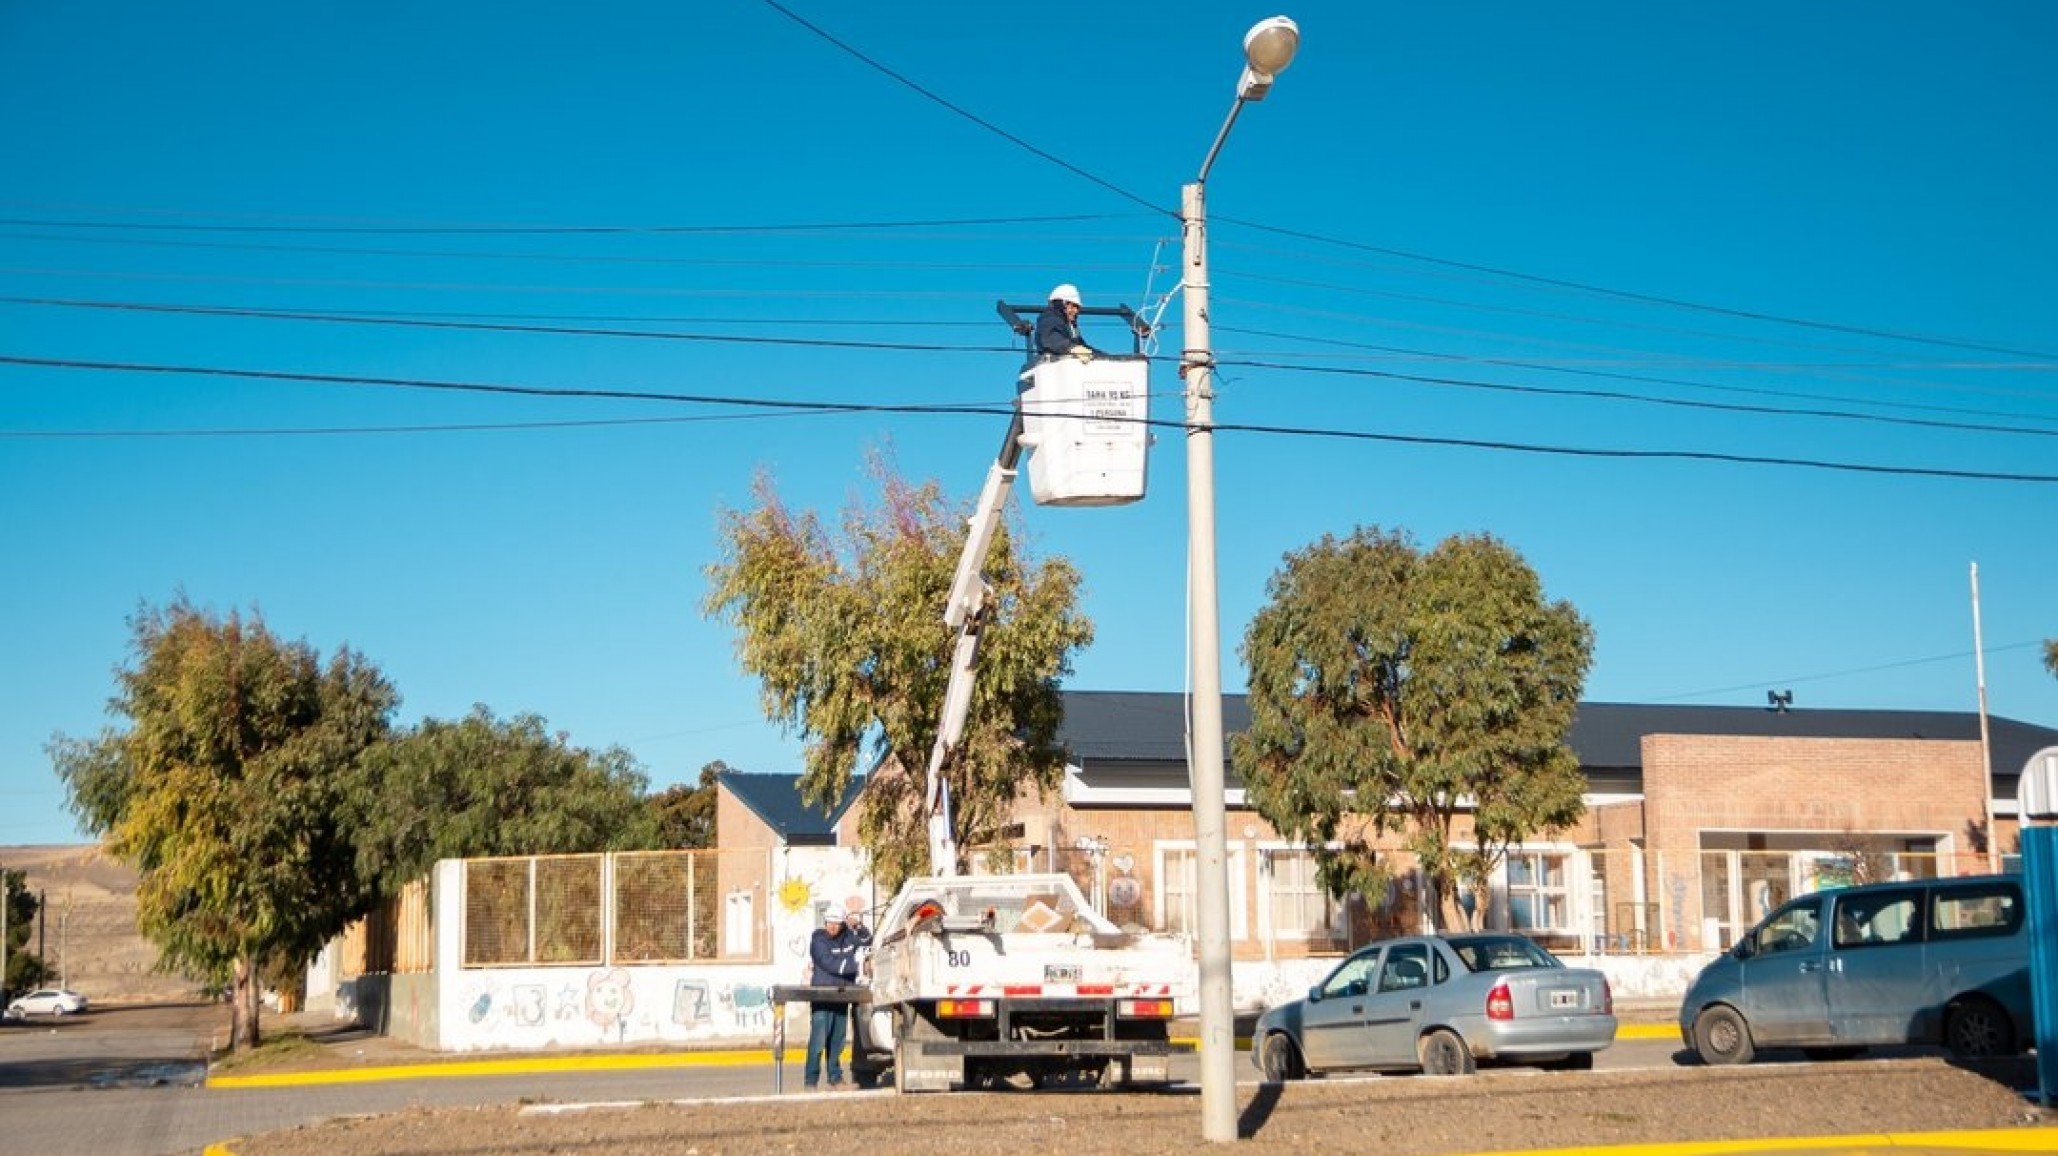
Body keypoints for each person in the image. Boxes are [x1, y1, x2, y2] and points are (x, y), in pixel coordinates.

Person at [804, 905, 870, 1090]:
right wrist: (857, 966)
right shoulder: (818, 941)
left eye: (837, 923)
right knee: (818, 1041)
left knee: (837, 1041)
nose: (832, 927)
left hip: (842, 996)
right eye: (829, 923)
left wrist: (858, 926)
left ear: (842, 924)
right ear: (825, 922)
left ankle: (836, 1079)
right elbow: (829, 964)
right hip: (823, 996)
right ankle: (810, 1081)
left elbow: (867, 942)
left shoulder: (849, 937)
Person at [1033, 283, 1096, 362]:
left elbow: (1083, 347)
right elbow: (1051, 339)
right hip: (1052, 367)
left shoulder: (1071, 328)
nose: (1075, 311)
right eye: (1072, 306)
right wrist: (1071, 348)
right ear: (1060, 304)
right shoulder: (1049, 319)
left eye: (1077, 307)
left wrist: (1106, 357)